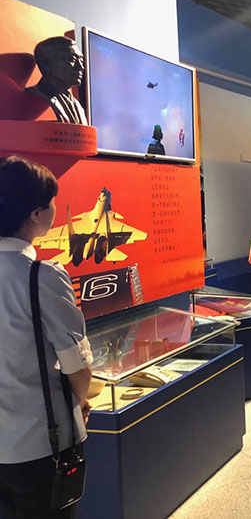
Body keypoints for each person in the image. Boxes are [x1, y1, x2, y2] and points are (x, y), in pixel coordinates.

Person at [0, 155, 93, 518]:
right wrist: (80, 401)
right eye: (51, 201)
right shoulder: (42, 275)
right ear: (35, 214)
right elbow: (76, 364)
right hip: (41, 445)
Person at [25, 37, 88, 125]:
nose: (81, 67)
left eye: (81, 60)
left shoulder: (77, 105)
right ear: (47, 65)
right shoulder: (35, 98)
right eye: (72, 59)